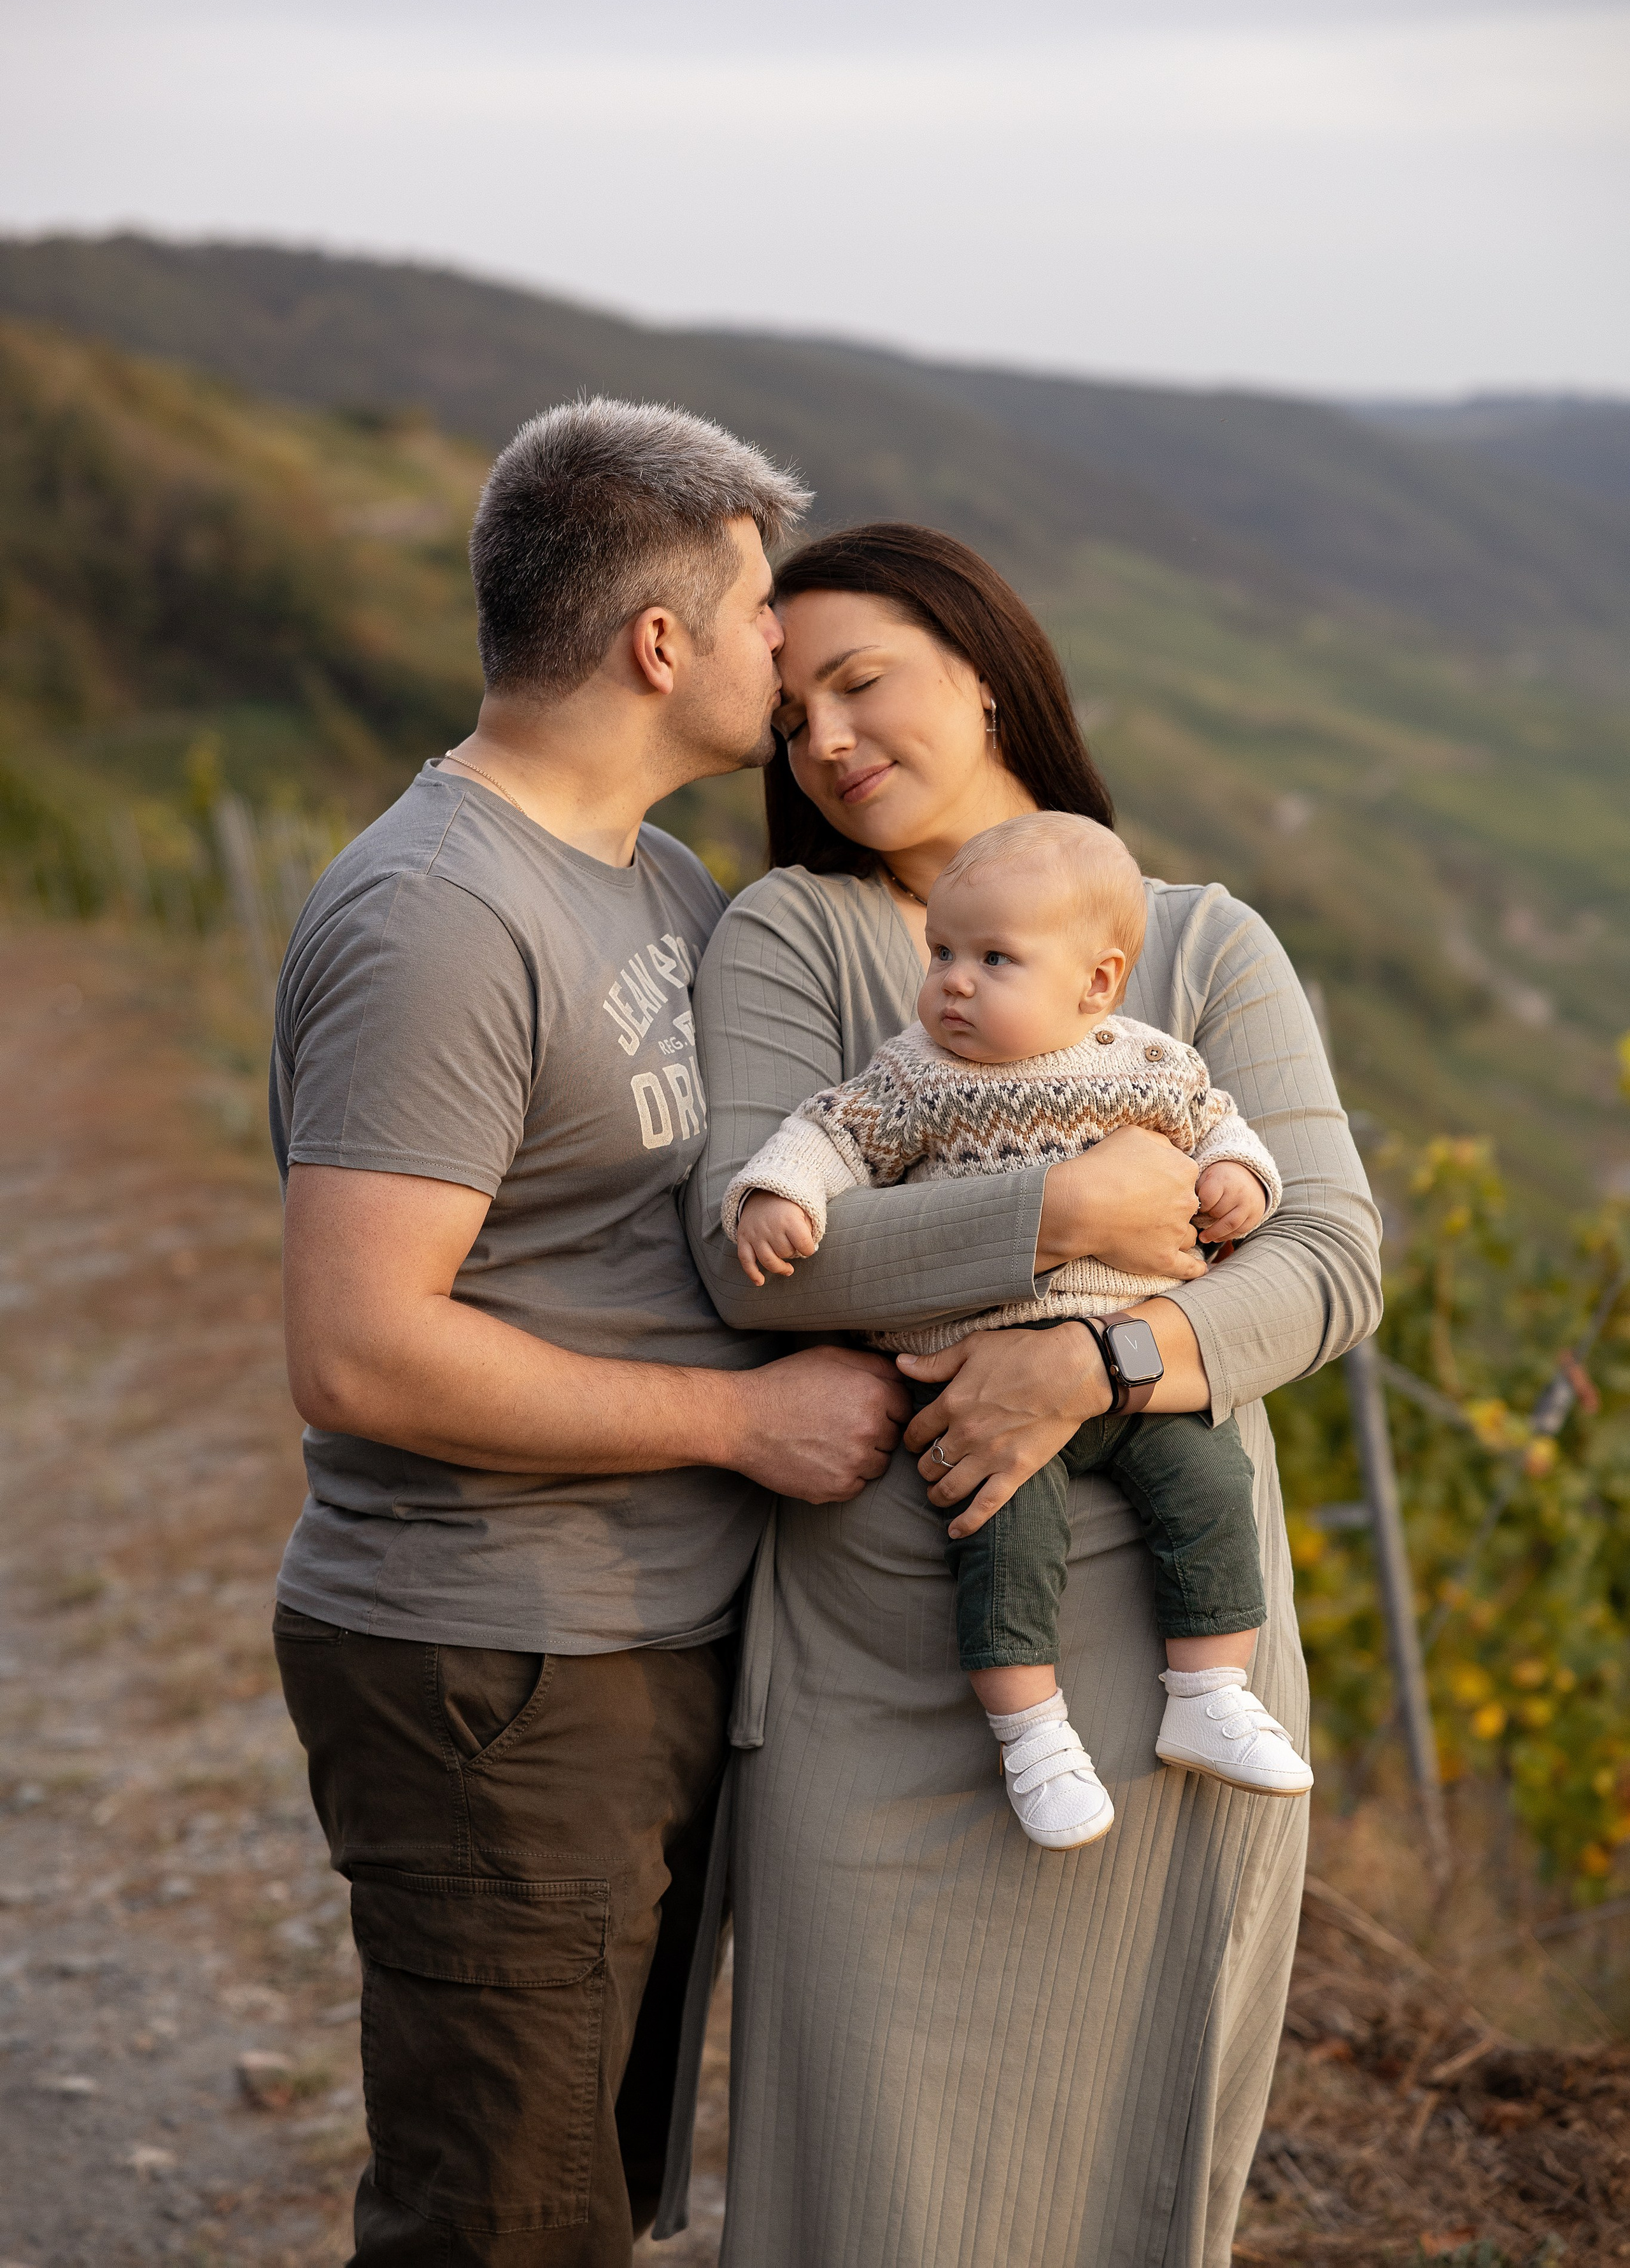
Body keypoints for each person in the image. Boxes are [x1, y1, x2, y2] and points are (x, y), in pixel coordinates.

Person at [684, 523, 1382, 2268]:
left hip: (1172, 1667)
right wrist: (1064, 1214)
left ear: (987, 669)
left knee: (1121, 2176)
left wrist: (1089, 1361)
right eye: (789, 714)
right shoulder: (789, 933)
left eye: (862, 681)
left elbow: (1326, 1262)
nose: (825, 738)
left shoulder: (1200, 945)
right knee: (860, 2179)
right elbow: (754, 1259)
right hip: (876, 1667)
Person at [269, 401, 907, 2268]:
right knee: (501, 2220)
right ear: (657, 642)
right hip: (495, 1660)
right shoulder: (439, 917)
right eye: (759, 610)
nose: (780, 647)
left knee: (585, 2203)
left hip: (628, 1644)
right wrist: (742, 1427)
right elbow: (360, 1351)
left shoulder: (652, 878)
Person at [721, 810, 1312, 1850]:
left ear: (1096, 984)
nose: (954, 982)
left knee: (1214, 1492)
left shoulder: (1151, 1063)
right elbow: (828, 1133)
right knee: (1006, 1544)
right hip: (977, 1393)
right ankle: (1032, 1735)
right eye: (942, 953)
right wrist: (780, 1193)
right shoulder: (916, 1077)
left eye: (994, 959)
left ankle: (1211, 1693)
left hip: (1134, 1374)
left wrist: (1238, 1180)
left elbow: (1227, 1128)